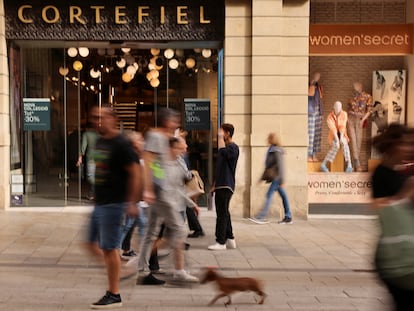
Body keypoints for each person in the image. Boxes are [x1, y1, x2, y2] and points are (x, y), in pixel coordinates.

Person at [85, 104, 141, 309]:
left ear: (113, 118)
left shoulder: (121, 144)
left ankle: (114, 293)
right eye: (94, 117)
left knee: (109, 248)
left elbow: (136, 173)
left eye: (102, 117)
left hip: (114, 204)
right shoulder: (100, 140)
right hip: (100, 202)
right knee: (90, 244)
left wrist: (132, 202)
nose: (98, 121)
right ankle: (120, 270)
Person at [135, 108, 199, 285]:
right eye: (174, 120)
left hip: (164, 189)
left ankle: (141, 269)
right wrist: (148, 189)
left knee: (152, 231)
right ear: (166, 121)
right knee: (180, 230)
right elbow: (148, 163)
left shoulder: (167, 138)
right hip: (161, 191)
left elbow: (168, 163)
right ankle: (177, 272)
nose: (177, 123)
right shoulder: (156, 136)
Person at [371, 125, 414, 310]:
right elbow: (381, 209)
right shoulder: (381, 174)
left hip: (403, 256)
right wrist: (407, 193)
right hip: (397, 259)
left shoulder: (399, 172)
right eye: (406, 144)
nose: (410, 148)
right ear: (393, 145)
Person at [208, 123, 239, 250]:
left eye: (221, 132)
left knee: (222, 214)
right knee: (224, 212)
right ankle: (230, 238)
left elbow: (224, 153)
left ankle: (220, 241)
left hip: (226, 185)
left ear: (227, 133)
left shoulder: (233, 148)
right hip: (221, 184)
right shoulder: (226, 148)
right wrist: (214, 185)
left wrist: (220, 139)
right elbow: (220, 169)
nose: (218, 134)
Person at [249, 132, 292, 224]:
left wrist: (282, 180)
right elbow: (268, 166)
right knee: (283, 196)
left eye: (269, 138)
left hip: (277, 178)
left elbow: (281, 166)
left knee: (269, 195)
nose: (267, 139)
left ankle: (261, 216)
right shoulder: (272, 149)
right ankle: (288, 216)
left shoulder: (276, 150)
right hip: (276, 177)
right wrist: (261, 178)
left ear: (272, 139)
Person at [320, 101, 353, 173]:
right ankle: (323, 164)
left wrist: (341, 138)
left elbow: (342, 126)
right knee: (336, 146)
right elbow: (333, 129)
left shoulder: (344, 114)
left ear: (341, 108)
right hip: (333, 136)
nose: (338, 108)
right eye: (336, 107)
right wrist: (337, 140)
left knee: (344, 143)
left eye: (339, 107)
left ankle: (349, 165)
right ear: (333, 107)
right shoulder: (329, 116)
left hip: (342, 134)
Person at [347, 81, 373, 172]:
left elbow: (369, 110)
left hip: (360, 120)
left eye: (356, 85)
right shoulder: (352, 97)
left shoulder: (368, 97)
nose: (355, 87)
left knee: (358, 141)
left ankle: (355, 162)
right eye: (354, 86)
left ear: (361, 86)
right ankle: (357, 163)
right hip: (350, 119)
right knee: (353, 141)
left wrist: (363, 119)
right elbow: (349, 109)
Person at [77, 123, 99, 200]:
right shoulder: (99, 134)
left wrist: (80, 157)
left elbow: (83, 146)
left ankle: (93, 194)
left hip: (91, 157)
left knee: (91, 176)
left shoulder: (86, 134)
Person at [308, 72, 323, 162]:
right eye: (316, 76)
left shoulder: (320, 88)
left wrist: (321, 113)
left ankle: (314, 154)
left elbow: (321, 99)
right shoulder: (310, 86)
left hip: (318, 111)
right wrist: (313, 82)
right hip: (311, 111)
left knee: (317, 135)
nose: (318, 77)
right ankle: (309, 154)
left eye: (319, 76)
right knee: (311, 134)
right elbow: (310, 94)